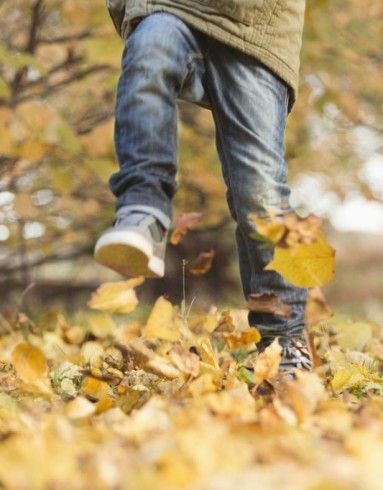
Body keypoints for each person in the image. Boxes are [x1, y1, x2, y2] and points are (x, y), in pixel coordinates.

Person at [94, 1, 313, 372]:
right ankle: (143, 209)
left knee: (259, 194)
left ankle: (284, 341)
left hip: (257, 29)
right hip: (170, 6)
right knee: (150, 49)